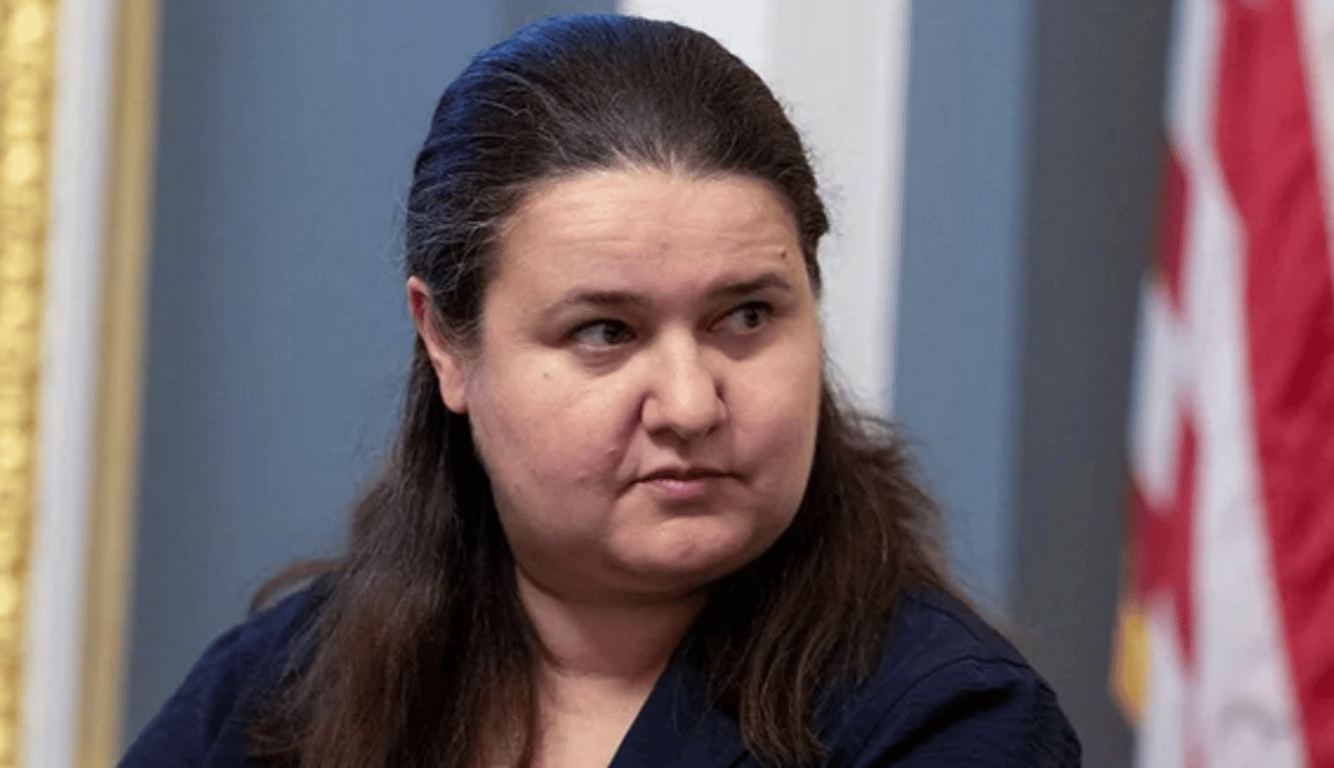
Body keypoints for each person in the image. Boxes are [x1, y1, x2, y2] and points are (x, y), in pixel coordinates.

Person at [121, 13, 1080, 768]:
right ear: (447, 346)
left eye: (747, 315)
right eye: (605, 333)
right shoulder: (281, 686)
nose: (691, 404)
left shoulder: (952, 721)